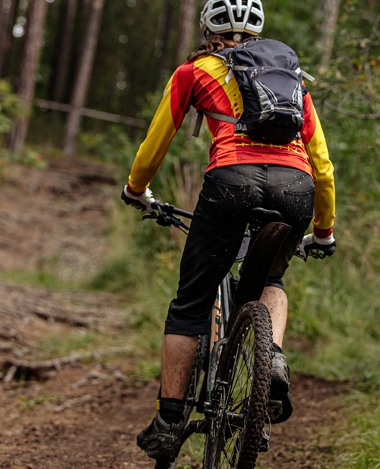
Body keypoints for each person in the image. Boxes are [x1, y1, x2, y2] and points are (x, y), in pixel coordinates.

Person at [121, 0, 336, 462]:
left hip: (230, 184)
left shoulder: (194, 72)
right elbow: (323, 164)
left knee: (190, 303)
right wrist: (324, 231)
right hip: (296, 189)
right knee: (271, 280)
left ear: (207, 29)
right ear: (259, 33)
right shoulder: (290, 76)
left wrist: (137, 189)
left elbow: (156, 143)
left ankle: (170, 418)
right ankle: (271, 356)